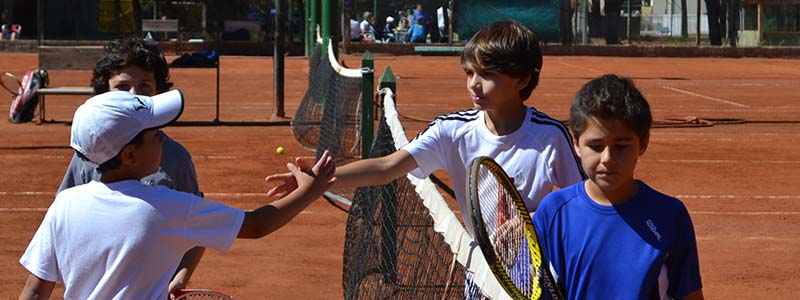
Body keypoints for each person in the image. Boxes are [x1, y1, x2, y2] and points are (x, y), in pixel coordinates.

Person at [266, 21, 586, 298]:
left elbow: (582, 205)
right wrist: (322, 180)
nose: (474, 83)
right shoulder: (451, 130)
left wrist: (531, 218)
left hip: (535, 276)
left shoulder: (551, 136)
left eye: (487, 74)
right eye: (470, 72)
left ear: (522, 80)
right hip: (479, 271)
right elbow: (386, 167)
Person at [18, 90, 336, 299]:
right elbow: (256, 225)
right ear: (129, 155)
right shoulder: (167, 207)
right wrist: (312, 190)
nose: (163, 140)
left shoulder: (65, 204)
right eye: (156, 135)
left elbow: (35, 290)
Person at [533, 74, 704, 299]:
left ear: (643, 144)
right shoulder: (554, 211)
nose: (607, 158)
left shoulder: (670, 215)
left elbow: (690, 295)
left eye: (621, 146)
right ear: (576, 144)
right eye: (595, 146)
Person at [56, 36, 204, 294]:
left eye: (145, 86)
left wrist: (179, 279)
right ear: (104, 92)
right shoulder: (86, 158)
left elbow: (197, 230)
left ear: (158, 92)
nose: (134, 95)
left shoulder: (176, 158)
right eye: (122, 87)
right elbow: (63, 229)